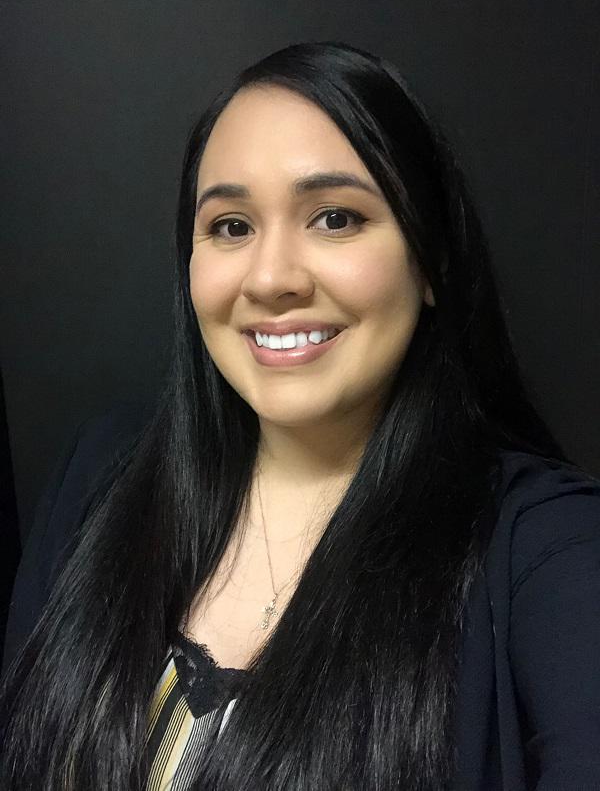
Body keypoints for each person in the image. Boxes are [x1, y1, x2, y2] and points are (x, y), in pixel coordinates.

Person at [1, 40, 599, 791]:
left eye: (335, 218)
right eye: (231, 226)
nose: (271, 278)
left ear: (433, 261)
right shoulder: (97, 477)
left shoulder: (546, 551)